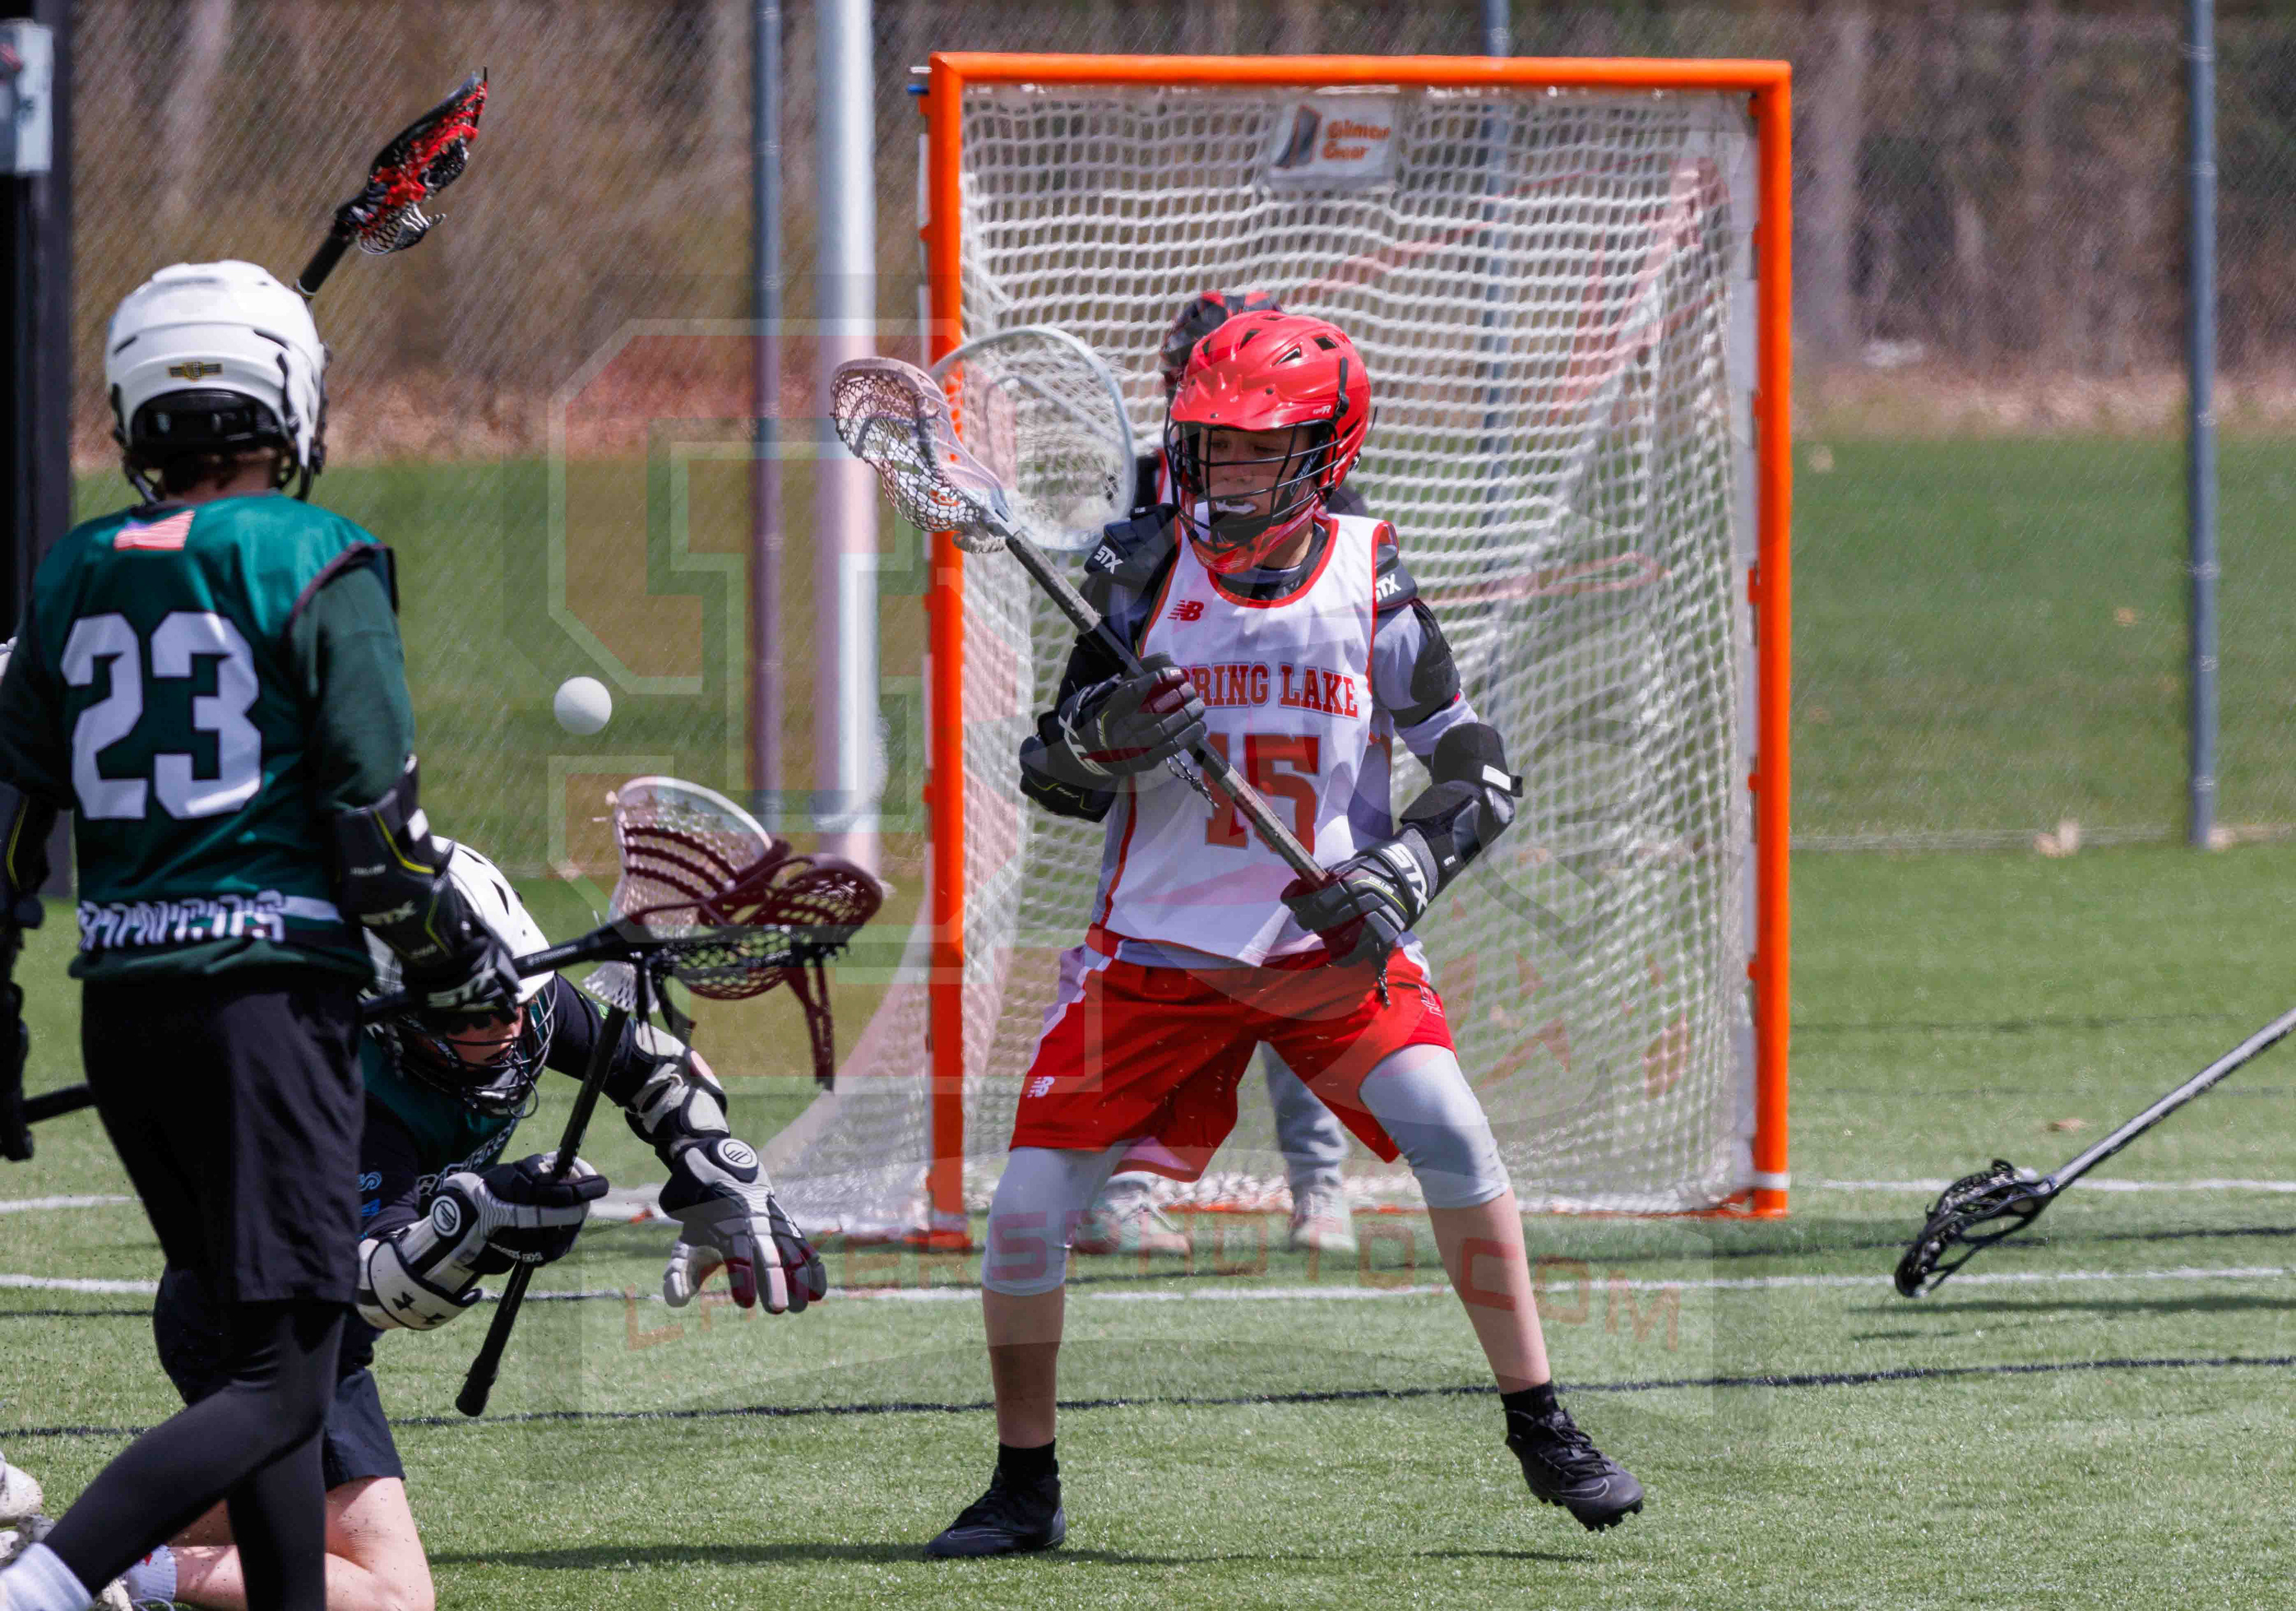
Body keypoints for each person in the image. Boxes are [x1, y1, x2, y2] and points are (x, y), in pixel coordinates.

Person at [927, 310, 1644, 1559]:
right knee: (1029, 1210)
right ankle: (1023, 1485)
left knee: (1451, 1129)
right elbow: (1054, 770)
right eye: (1211, 446)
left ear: (1324, 454)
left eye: (1258, 451)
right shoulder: (1138, 570)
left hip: (1324, 953)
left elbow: (1478, 768)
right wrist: (1105, 740)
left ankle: (1542, 1421)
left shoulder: (1371, 573)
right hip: (1152, 955)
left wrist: (1402, 869)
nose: (1227, 474)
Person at [0, 260, 524, 1611]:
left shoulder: (70, 575)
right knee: (283, 1379)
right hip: (269, 1012)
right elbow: (380, 837)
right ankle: (40, 1588)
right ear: (291, 402)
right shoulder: (316, 555)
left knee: (260, 1353)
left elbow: (12, 840)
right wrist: (463, 968)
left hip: (125, 1016)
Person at [5, 843, 826, 1611]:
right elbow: (378, 1284)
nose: (507, 1027)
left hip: (313, 1324)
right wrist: (483, 1218)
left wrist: (722, 1176)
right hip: (259, 1323)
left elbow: (657, 1063)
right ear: (393, 1014)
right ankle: (103, 1574)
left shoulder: (517, 1000)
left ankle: (62, 1551)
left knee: (276, 1496)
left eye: (518, 998)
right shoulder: (343, 1088)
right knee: (394, 1593)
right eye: (473, 1015)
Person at [1077, 289, 1361, 1261]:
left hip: (1292, 775)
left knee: (1312, 974)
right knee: (1157, 983)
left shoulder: (1321, 491)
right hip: (1170, 789)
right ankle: (1123, 1186)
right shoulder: (1140, 498)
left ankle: (1319, 1187)